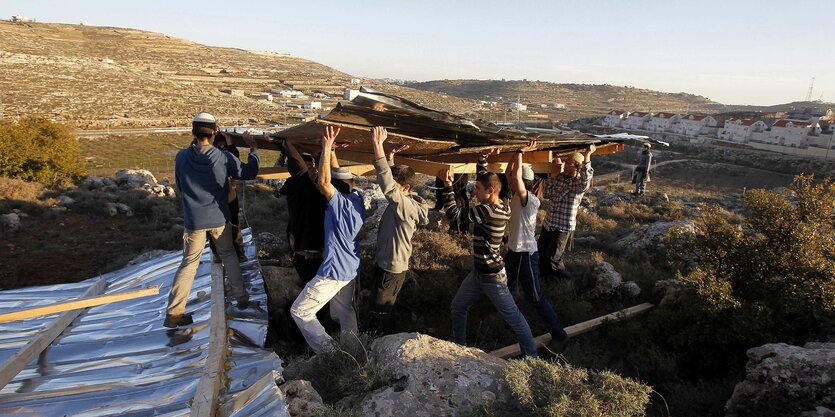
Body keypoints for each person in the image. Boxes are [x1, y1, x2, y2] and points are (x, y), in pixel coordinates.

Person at [164, 112, 260, 328]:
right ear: (215, 131)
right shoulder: (223, 157)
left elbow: (180, 185)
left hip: (194, 221)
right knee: (228, 254)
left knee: (188, 264)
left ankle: (173, 313)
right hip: (219, 218)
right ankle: (242, 298)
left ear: (193, 131)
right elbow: (249, 172)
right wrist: (253, 149)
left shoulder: (181, 157)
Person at [439, 151, 538, 358]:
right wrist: (482, 161)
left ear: (490, 191)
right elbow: (487, 181)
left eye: (476, 189)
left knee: (515, 319)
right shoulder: (500, 202)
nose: (474, 192)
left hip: (492, 277)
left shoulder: (488, 211)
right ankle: (459, 346)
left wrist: (447, 187)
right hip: (480, 273)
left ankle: (532, 358)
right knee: (458, 306)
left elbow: (455, 218)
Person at [290, 125, 367, 354]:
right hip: (351, 268)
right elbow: (337, 175)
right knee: (343, 312)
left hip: (334, 270)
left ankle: (330, 353)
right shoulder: (356, 199)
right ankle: (353, 348)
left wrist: (325, 146)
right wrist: (332, 151)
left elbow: (325, 182)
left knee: (300, 311)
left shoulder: (340, 204)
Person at [504, 141, 569, 352]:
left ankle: (559, 334)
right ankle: (512, 324)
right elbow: (508, 173)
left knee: (536, 297)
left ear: (524, 182)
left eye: (517, 179)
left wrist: (521, 151)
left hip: (525, 254)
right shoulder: (517, 194)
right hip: (514, 252)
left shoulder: (528, 199)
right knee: (508, 288)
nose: (513, 181)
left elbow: (513, 177)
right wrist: (515, 154)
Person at [367, 126, 429, 333]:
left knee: (379, 313)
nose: (391, 189)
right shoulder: (404, 201)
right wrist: (391, 157)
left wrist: (378, 147)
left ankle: (377, 348)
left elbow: (389, 187)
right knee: (382, 309)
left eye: (396, 185)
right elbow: (393, 186)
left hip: (391, 268)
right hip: (387, 264)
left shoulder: (406, 206)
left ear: (407, 188)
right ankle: (387, 336)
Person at [538, 146, 595, 280]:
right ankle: (545, 280)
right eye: (566, 163)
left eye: (569, 164)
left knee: (554, 259)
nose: (565, 167)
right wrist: (552, 176)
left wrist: (587, 156)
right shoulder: (559, 178)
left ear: (578, 167)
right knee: (541, 254)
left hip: (562, 228)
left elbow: (586, 180)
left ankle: (567, 282)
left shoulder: (578, 184)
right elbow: (546, 193)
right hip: (549, 223)